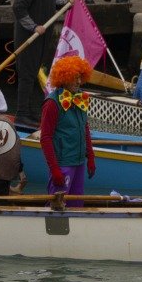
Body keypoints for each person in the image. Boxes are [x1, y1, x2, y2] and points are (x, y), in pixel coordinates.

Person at [40, 55, 95, 206]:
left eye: (80, 77)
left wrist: (90, 157)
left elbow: (85, 128)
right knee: (57, 207)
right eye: (74, 77)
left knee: (77, 206)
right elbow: (45, 138)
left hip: (79, 162)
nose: (78, 81)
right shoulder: (52, 103)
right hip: (63, 163)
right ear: (64, 78)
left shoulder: (80, 99)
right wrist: (55, 169)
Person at [12, 0, 61, 124]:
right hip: (29, 37)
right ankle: (21, 113)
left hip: (42, 38)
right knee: (26, 75)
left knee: (33, 74)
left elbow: (49, 2)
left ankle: (30, 110)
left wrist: (65, 3)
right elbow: (18, 8)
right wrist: (33, 26)